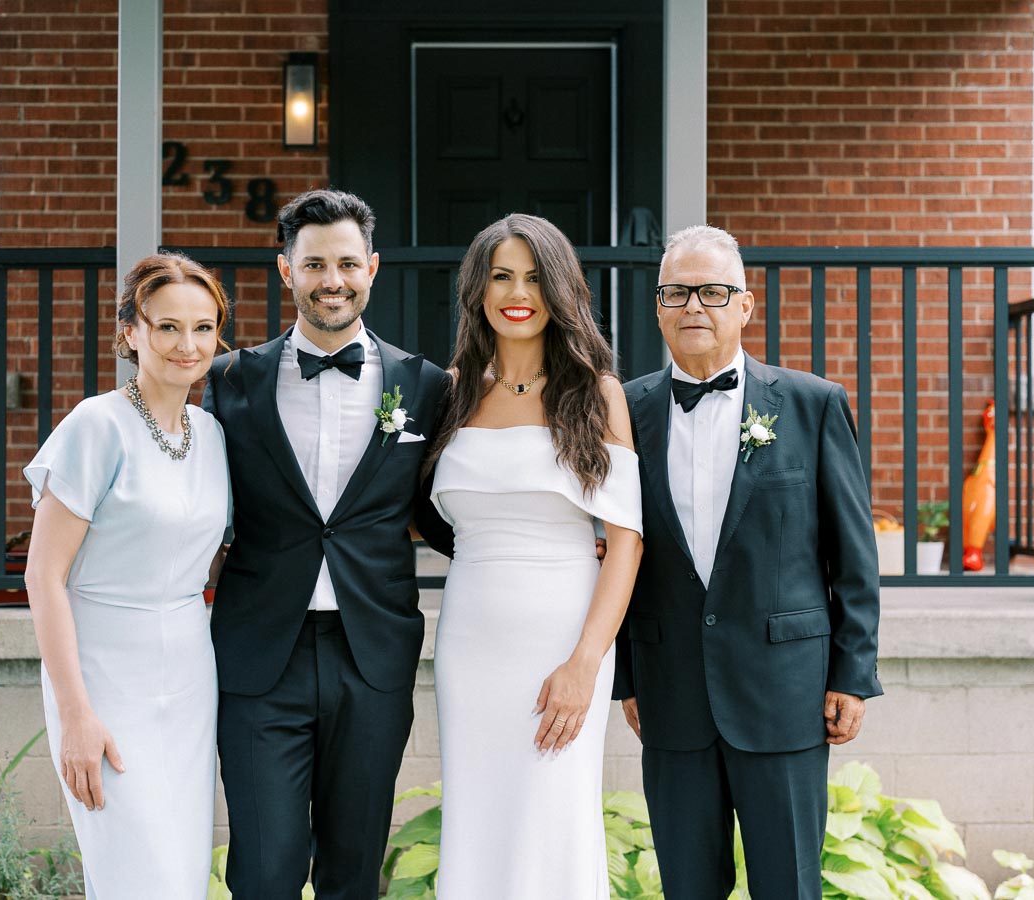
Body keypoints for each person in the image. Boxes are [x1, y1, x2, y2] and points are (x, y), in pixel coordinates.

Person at [614, 225, 882, 900]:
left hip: (786, 693)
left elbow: (852, 554)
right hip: (671, 693)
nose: (693, 307)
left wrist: (852, 673)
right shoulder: (623, 409)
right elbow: (612, 550)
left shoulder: (812, 404)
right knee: (687, 885)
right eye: (676, 292)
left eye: (712, 291)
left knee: (788, 886)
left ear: (745, 305)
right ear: (658, 306)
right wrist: (625, 677)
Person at [201, 189, 454, 900]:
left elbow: (450, 502)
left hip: (371, 654)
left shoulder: (425, 386)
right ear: (287, 272)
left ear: (372, 268)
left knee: (353, 868)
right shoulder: (228, 381)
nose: (332, 281)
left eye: (347, 263)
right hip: (259, 657)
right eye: (314, 265)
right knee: (265, 867)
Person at [427, 213, 643, 899]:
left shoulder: (596, 393)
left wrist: (586, 663)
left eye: (533, 277)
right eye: (500, 276)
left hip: (563, 637)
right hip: (469, 640)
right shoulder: (453, 390)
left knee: (553, 809)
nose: (517, 292)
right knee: (477, 810)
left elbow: (627, 540)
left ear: (559, 290)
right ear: (479, 290)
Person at [23, 252, 232, 899]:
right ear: (131, 332)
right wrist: (76, 713)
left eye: (202, 328)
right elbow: (43, 578)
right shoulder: (96, 426)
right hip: (107, 679)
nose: (186, 344)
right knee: (133, 874)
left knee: (181, 873)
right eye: (167, 326)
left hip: (190, 676)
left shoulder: (214, 434)